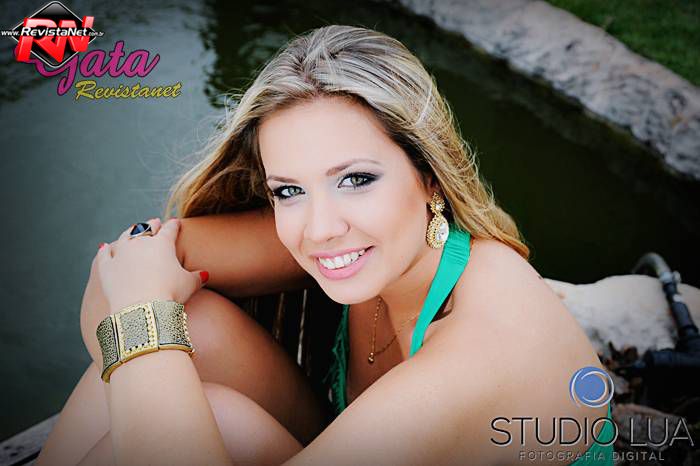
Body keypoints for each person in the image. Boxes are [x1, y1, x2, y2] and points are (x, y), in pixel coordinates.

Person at [36, 25, 614, 465]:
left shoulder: (483, 347)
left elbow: (129, 302)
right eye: (288, 190)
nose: (319, 229)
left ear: (430, 177)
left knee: (149, 347)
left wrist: (140, 312)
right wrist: (138, 291)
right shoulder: (373, 241)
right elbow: (120, 274)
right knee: (185, 336)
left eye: (356, 179)